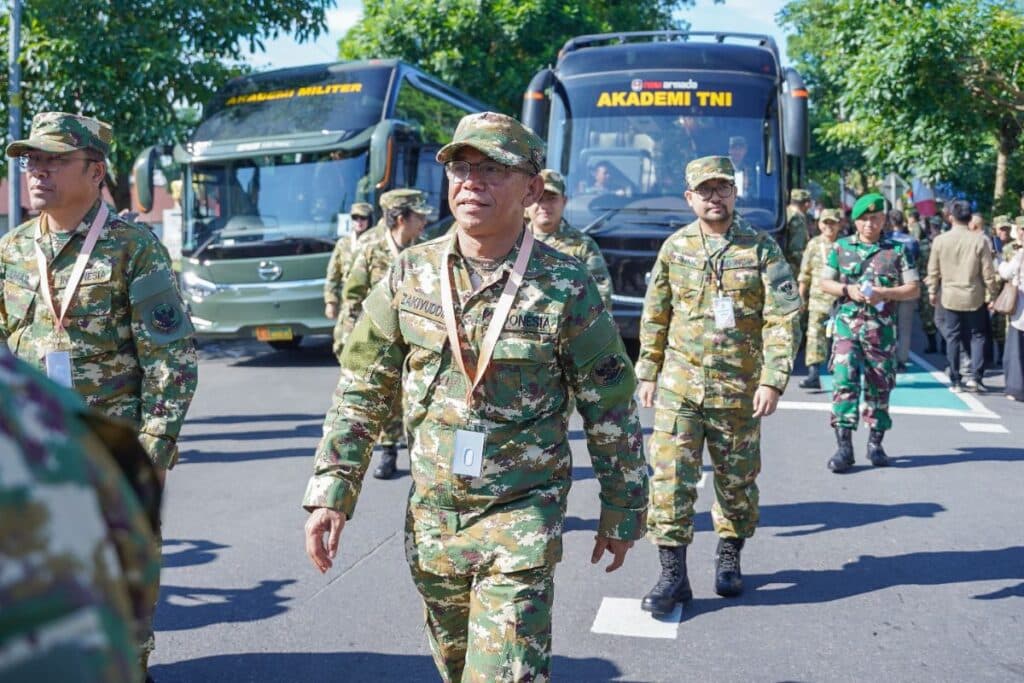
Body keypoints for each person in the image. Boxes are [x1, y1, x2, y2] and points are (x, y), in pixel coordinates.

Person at [301, 112, 648, 682]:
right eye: (462, 168)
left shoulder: (565, 285)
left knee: (504, 672)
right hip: (434, 516)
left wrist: (623, 502)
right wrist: (332, 490)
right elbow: (362, 386)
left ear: (532, 188)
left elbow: (609, 402)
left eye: (492, 170)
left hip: (522, 513)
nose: (472, 182)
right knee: (457, 664)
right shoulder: (410, 274)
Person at [0, 112, 197, 675]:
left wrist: (152, 454)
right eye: (31, 160)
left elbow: (171, 359)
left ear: (95, 171)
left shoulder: (133, 248)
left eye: (54, 159)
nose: (37, 171)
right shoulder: (11, 252)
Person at [635, 155, 801, 613]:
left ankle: (730, 554)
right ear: (690, 198)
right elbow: (656, 314)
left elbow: (782, 318)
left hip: (738, 389)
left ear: (734, 192)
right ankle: (673, 575)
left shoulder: (761, 249)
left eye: (722, 188)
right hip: (679, 387)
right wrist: (647, 371)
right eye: (704, 190)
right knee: (669, 480)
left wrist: (773, 379)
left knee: (737, 483)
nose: (714, 196)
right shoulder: (675, 248)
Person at [0, 344, 161, 683]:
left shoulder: (40, 408)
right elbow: (136, 560)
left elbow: (167, 354)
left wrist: (159, 441)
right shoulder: (32, 395)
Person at [819, 193, 919, 473]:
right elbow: (825, 282)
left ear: (883, 219)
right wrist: (846, 290)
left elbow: (913, 288)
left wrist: (884, 293)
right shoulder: (840, 248)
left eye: (875, 218)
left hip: (880, 332)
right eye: (864, 219)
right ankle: (844, 447)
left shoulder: (896, 251)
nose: (869, 224)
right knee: (843, 382)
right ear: (856, 221)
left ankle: (876, 443)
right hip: (846, 329)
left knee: (880, 386)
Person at [337, 189, 431, 479]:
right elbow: (352, 295)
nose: (424, 222)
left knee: (419, 398)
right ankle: (388, 452)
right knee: (386, 398)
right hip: (381, 336)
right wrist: (348, 341)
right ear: (401, 218)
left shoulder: (426, 249)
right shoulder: (370, 247)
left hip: (418, 338)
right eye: (420, 216)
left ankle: (423, 460)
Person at [926, 199, 1000, 392]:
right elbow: (988, 272)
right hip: (974, 295)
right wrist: (992, 294)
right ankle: (975, 377)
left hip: (949, 295)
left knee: (952, 337)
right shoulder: (979, 240)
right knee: (978, 335)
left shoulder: (940, 241)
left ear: (951, 217)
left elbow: (933, 270)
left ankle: (956, 380)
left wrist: (932, 291)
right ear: (969, 217)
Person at [526, 168, 613, 309]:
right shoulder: (511, 242)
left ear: (564, 201)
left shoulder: (584, 246)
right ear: (528, 201)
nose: (545, 206)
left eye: (552, 198)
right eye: (539, 199)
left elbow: (601, 295)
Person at [798, 208, 841, 389]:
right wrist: (801, 296)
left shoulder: (844, 245)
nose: (829, 227)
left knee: (840, 337)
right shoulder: (814, 245)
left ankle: (840, 373)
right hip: (817, 299)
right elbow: (804, 272)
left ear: (839, 225)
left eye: (833, 223)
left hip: (840, 299)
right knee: (814, 335)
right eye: (825, 223)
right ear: (819, 224)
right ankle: (813, 374)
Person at [324, 201, 374, 324]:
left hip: (371, 301)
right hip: (348, 303)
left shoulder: (375, 243)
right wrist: (331, 302)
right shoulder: (343, 244)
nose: (359, 222)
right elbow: (333, 275)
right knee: (344, 340)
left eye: (363, 218)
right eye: (355, 218)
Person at [887, 209, 921, 371]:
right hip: (908, 285)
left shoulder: (885, 240)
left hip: (888, 287)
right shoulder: (912, 241)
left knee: (888, 323)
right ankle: (902, 359)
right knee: (905, 325)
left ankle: (889, 356)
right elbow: (916, 261)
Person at [997, 243, 1024, 401]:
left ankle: (1016, 388)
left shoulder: (1021, 255)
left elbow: (1006, 273)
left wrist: (1001, 262)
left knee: (1016, 352)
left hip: (1021, 311)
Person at [782, 188, 811, 278]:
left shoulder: (785, 212)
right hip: (793, 267)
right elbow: (796, 250)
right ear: (807, 204)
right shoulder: (797, 218)